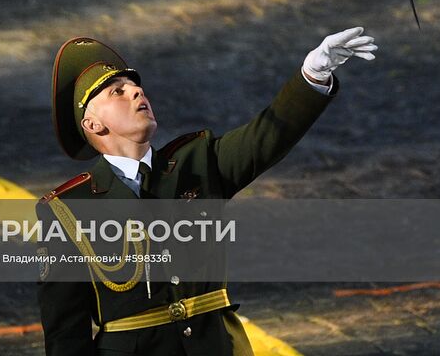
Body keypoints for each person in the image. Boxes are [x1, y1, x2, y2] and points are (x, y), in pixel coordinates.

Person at [38, 28, 378, 355]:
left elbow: (266, 138)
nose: (137, 92)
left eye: (135, 86)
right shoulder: (69, 209)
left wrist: (312, 76)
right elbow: (65, 331)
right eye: (117, 91)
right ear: (94, 125)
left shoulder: (197, 162)